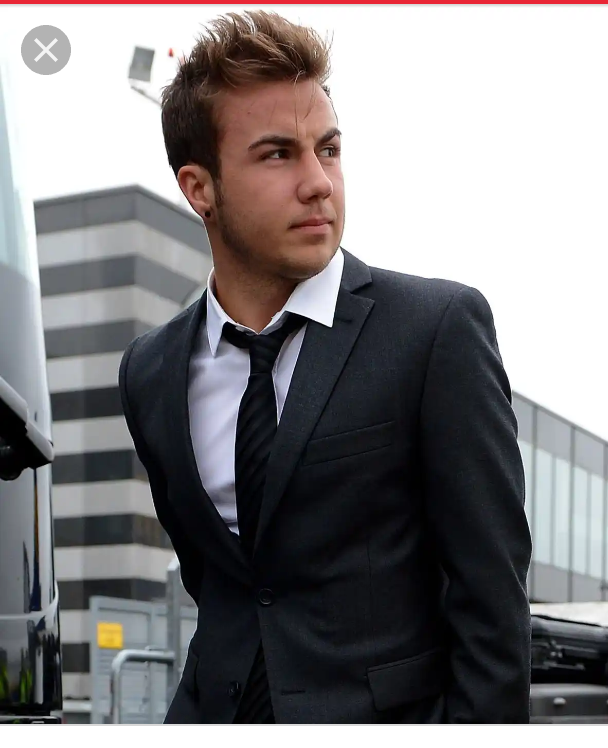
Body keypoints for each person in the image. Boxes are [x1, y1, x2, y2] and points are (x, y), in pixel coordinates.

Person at [118, 10, 532, 724]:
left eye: (329, 149)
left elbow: (492, 606)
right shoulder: (149, 372)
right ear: (199, 187)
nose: (319, 183)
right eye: (278, 154)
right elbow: (219, 586)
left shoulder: (434, 331)